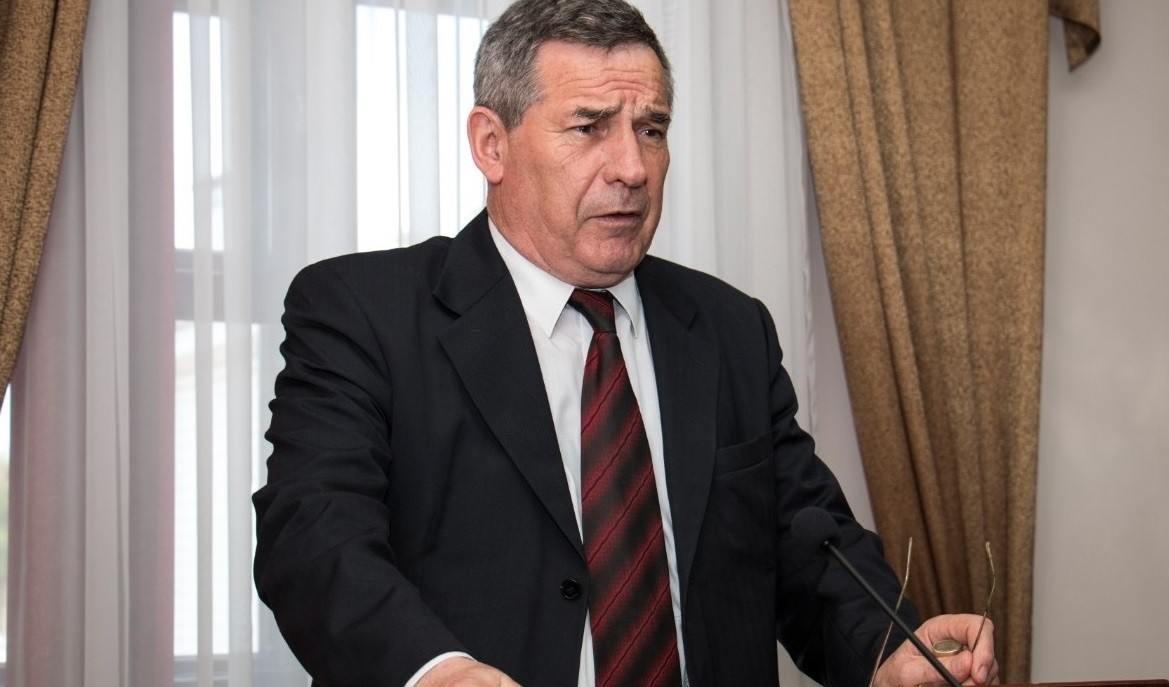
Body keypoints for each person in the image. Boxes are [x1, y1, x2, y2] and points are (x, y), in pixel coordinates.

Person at [252, 1, 1000, 686]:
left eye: (651, 129)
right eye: (589, 127)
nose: (633, 168)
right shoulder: (364, 312)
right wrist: (436, 671)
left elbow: (809, 543)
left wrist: (887, 647)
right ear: (491, 144)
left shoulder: (730, 328)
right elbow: (314, 537)